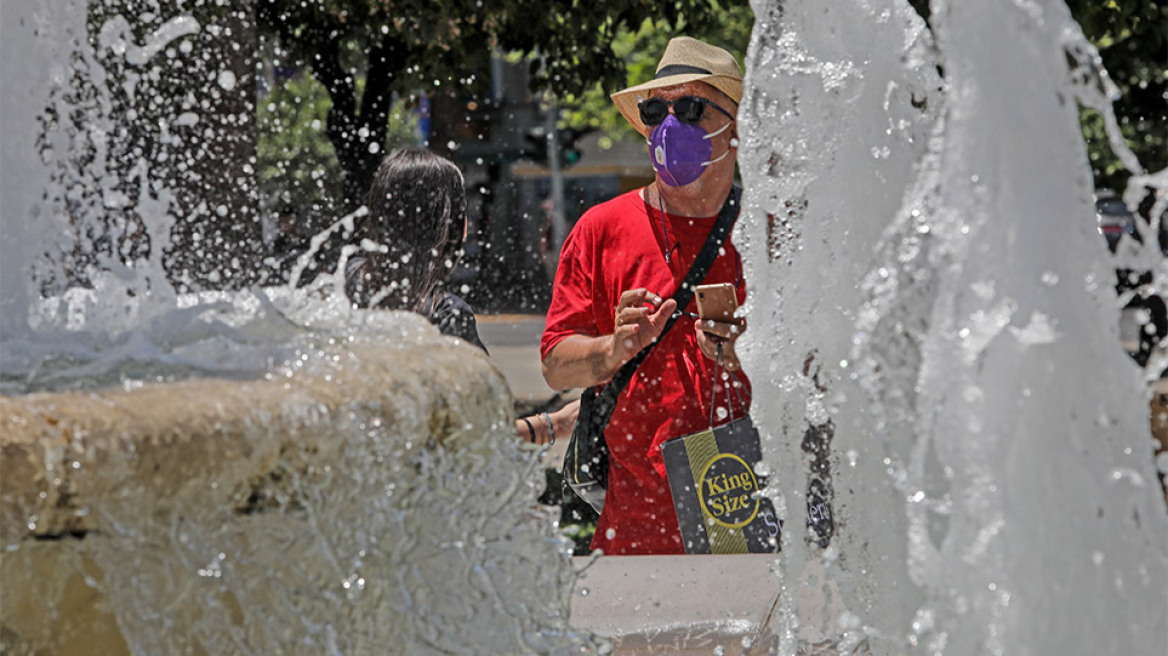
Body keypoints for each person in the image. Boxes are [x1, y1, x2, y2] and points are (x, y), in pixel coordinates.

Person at [541, 36, 749, 555]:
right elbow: (556, 365)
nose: (669, 124)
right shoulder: (602, 228)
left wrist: (752, 354)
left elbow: (828, 370)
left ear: (737, 127)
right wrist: (612, 350)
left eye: (692, 107)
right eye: (656, 111)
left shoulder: (773, 232)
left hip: (741, 510)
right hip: (636, 528)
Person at [345, 146, 577, 445]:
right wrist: (554, 424)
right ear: (452, 226)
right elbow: (482, 435)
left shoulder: (343, 283)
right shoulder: (444, 316)